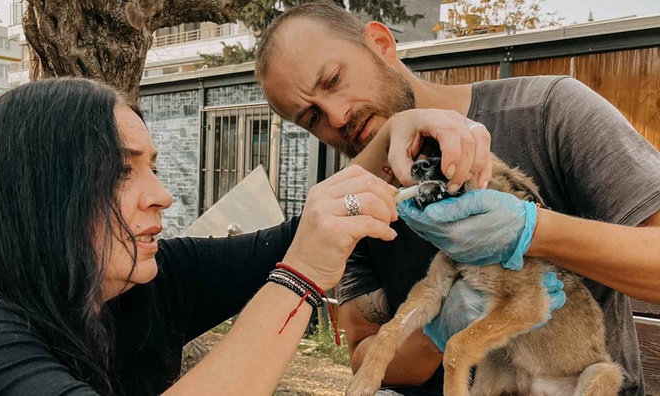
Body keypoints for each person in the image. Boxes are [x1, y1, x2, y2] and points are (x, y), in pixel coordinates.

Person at [255, 2, 660, 395]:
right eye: (311, 118)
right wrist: (441, 330)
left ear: (380, 44)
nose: (337, 116)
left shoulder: (548, 111)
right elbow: (364, 357)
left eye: (333, 80)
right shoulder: (356, 197)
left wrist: (532, 231)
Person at [0, 77, 401, 395]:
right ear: (37, 191)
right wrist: (299, 279)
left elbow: (305, 232)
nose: (162, 196)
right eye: (118, 170)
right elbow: (300, 254)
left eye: (153, 167)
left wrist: (400, 135)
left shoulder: (149, 281)